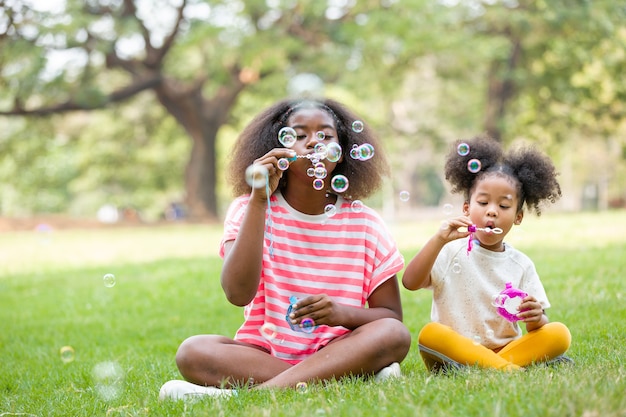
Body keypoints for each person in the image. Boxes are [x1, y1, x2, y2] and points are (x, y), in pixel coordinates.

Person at [160, 98, 410, 400]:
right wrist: (259, 200)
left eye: (326, 135)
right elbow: (237, 294)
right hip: (264, 355)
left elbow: (390, 317)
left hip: (339, 350)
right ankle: (343, 379)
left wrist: (339, 313)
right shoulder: (248, 208)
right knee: (193, 351)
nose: (313, 142)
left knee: (393, 335)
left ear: (343, 150)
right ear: (277, 149)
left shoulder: (367, 223)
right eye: (299, 135)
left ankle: (248, 397)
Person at [402, 136, 571, 373]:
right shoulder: (450, 250)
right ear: (466, 209)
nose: (492, 211)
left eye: (503, 206)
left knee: (559, 333)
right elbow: (410, 282)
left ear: (518, 217)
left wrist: (536, 318)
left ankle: (493, 366)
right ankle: (508, 369)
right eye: (483, 203)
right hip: (455, 348)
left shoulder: (521, 264)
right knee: (431, 334)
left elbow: (538, 326)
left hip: (505, 348)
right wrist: (438, 239)